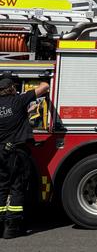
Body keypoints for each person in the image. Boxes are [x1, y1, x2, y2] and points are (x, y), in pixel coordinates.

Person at [0, 77, 49, 239]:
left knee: (1, 187)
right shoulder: (18, 100)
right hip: (16, 151)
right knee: (17, 187)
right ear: (11, 88)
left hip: (1, 152)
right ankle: (12, 228)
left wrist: (24, 113)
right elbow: (45, 86)